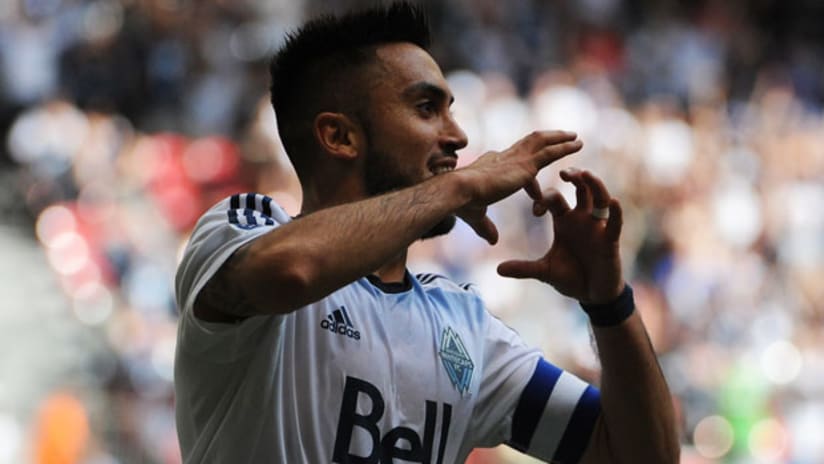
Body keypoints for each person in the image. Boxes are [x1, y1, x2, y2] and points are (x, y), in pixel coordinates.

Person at [173, 2, 679, 463]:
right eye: (425, 108)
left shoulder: (464, 327)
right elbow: (289, 272)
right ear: (339, 136)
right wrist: (460, 187)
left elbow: (641, 457)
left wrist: (609, 303)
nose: (457, 136)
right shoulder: (240, 228)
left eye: (451, 110)